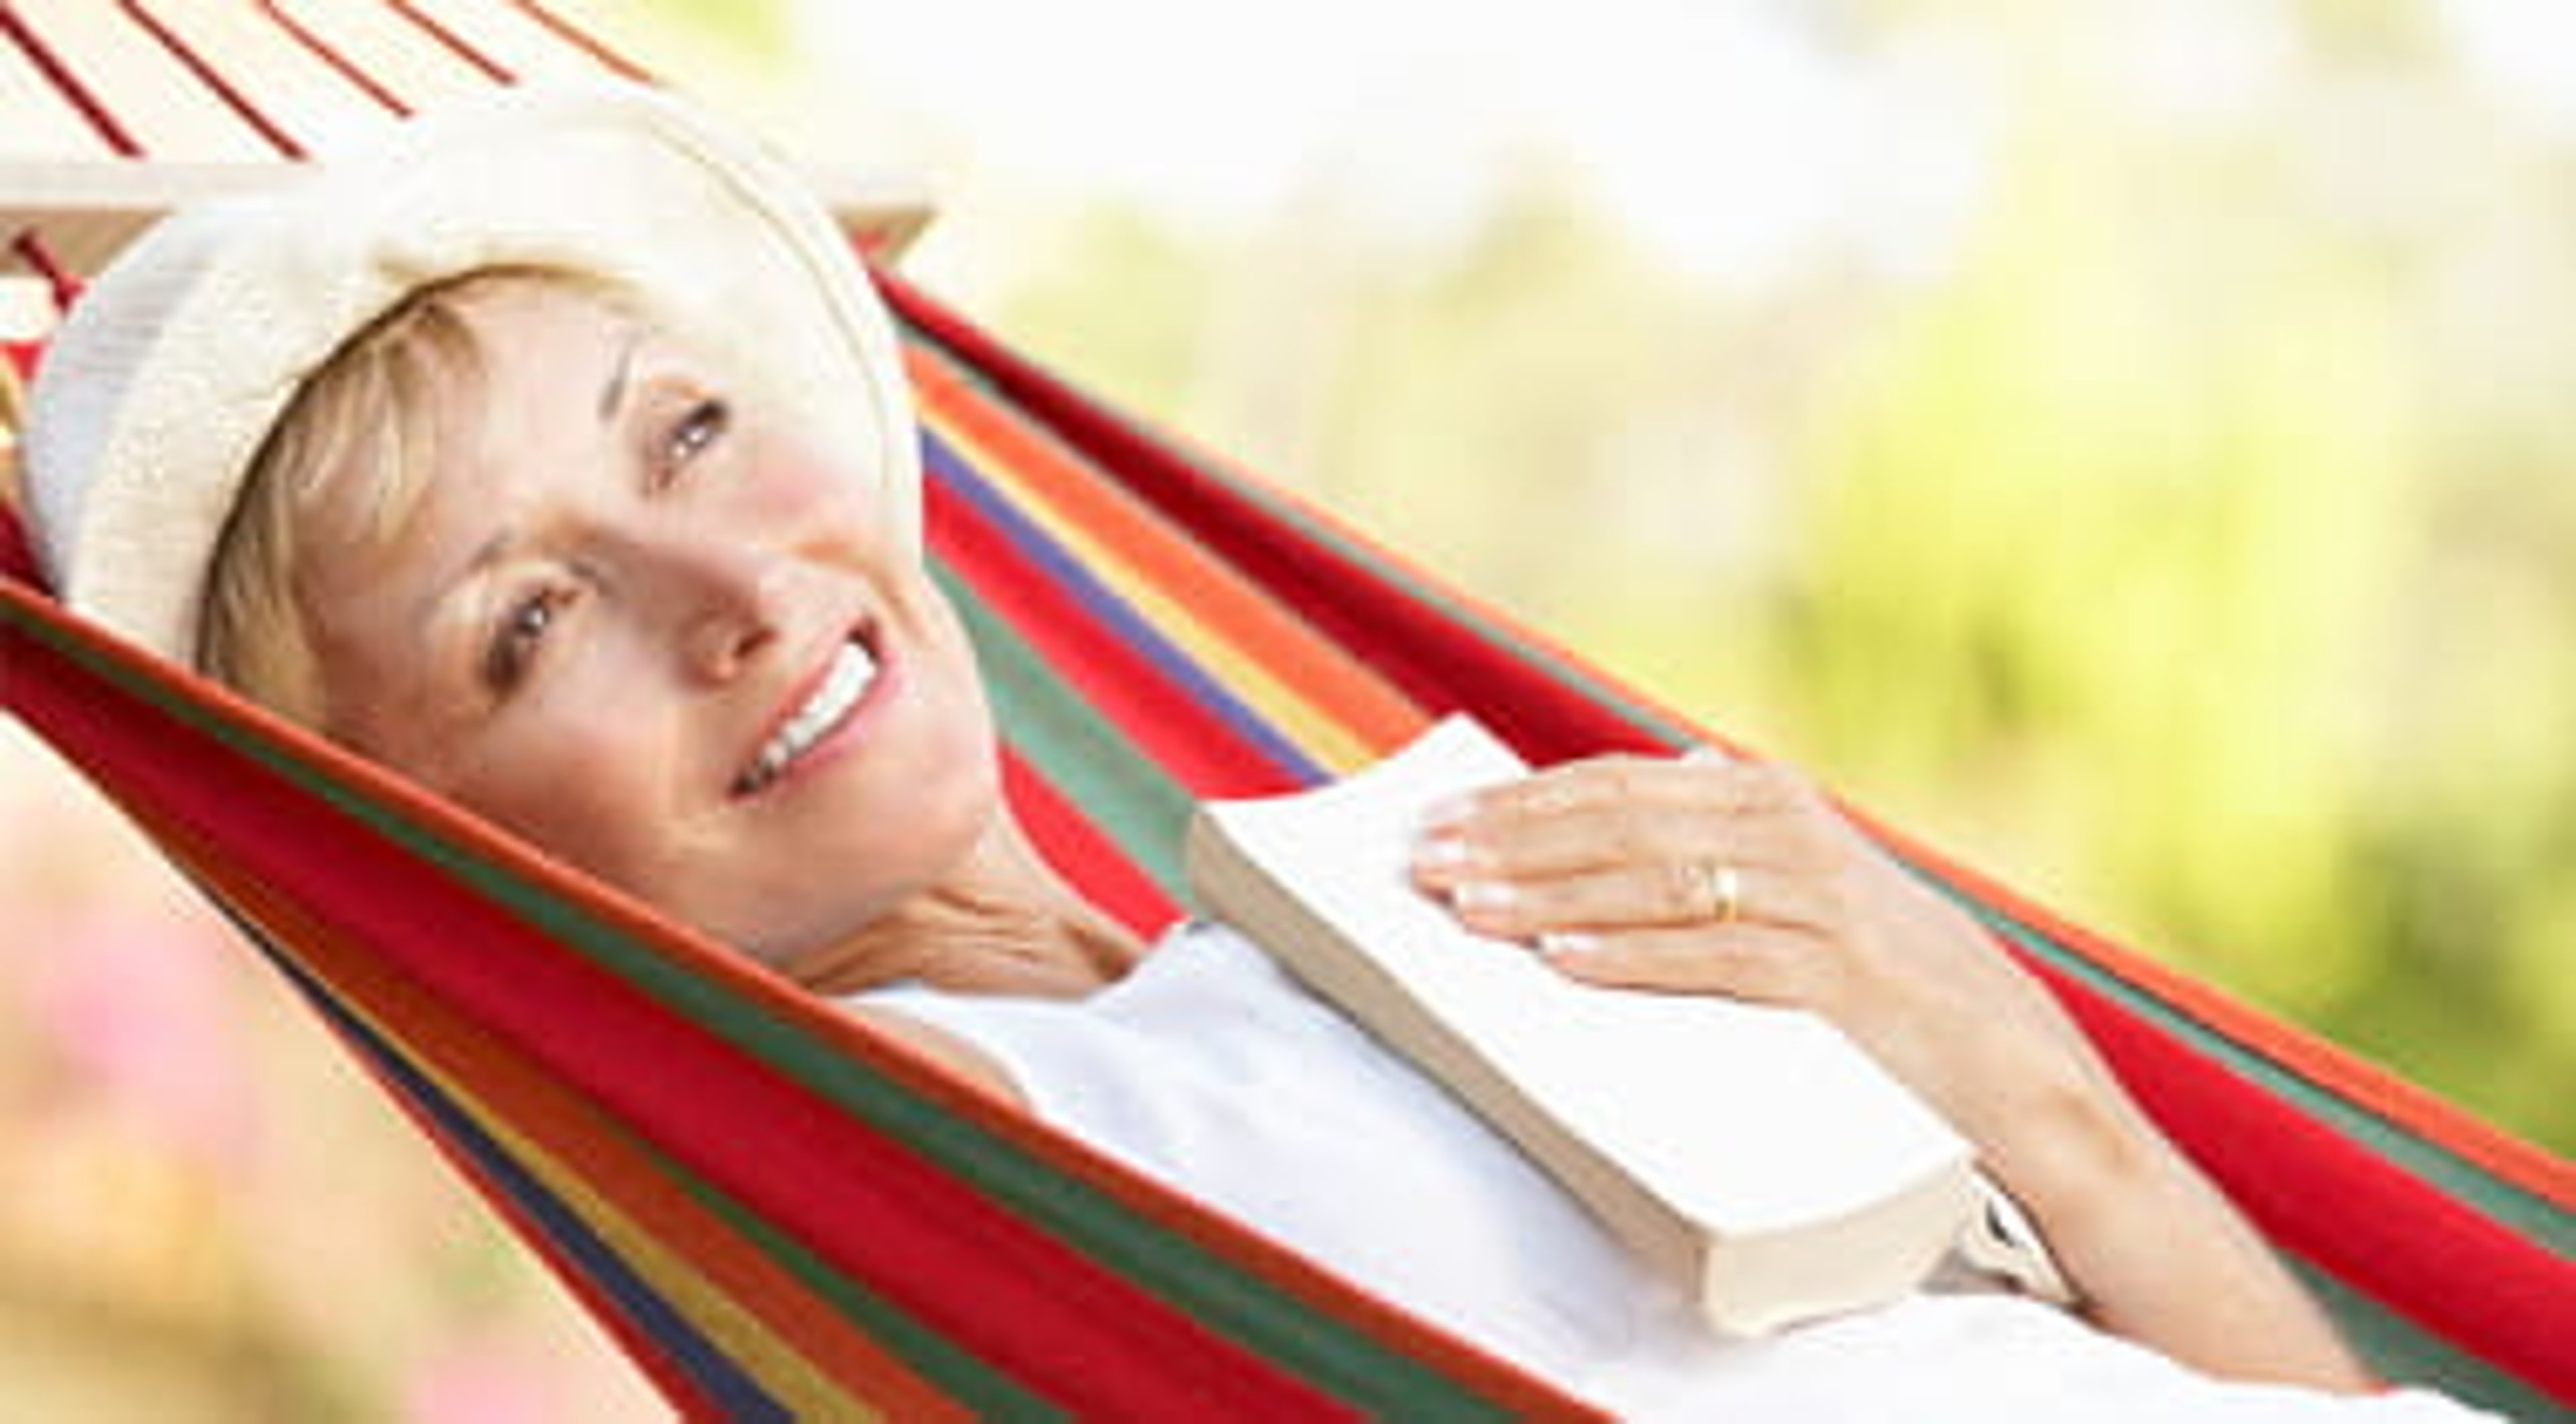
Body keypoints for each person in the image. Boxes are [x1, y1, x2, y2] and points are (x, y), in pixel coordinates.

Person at [15, 83, 2477, 1420]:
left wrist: (2015, 1074)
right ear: (418, 859)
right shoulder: (932, 1211)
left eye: (680, 433)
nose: (735, 587)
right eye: (529, 617)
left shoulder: (1392, 898)